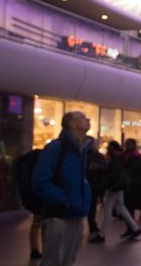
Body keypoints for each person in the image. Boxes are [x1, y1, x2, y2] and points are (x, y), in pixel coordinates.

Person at [31, 111, 92, 266]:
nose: (88, 120)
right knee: (53, 260)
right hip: (59, 214)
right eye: (83, 118)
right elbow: (40, 181)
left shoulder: (81, 150)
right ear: (72, 123)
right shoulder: (56, 148)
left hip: (75, 213)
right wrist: (63, 200)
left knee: (68, 259)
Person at [89, 141, 141, 243]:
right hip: (118, 186)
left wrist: (105, 183)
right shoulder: (122, 156)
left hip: (113, 187)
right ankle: (135, 228)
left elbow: (112, 173)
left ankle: (102, 234)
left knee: (108, 210)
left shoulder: (116, 158)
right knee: (120, 207)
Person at [85, 138, 107, 239]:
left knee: (91, 206)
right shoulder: (95, 156)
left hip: (91, 184)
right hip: (93, 184)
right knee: (91, 206)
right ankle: (92, 225)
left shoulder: (84, 155)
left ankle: (91, 224)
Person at [123, 138, 141, 220]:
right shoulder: (127, 155)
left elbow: (135, 169)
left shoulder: (135, 156)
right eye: (126, 144)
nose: (127, 145)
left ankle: (131, 221)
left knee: (131, 202)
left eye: (129, 144)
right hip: (130, 181)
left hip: (134, 182)